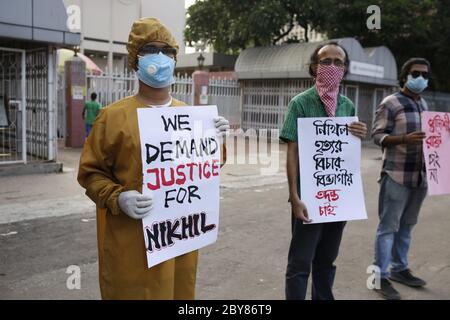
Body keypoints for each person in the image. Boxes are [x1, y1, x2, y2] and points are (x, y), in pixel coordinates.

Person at [77, 17, 229, 300]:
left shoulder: (190, 117)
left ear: (174, 58)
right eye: (149, 49)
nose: (159, 57)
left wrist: (216, 140)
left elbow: (204, 168)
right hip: (130, 241)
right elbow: (90, 173)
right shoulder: (112, 117)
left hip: (178, 240)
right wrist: (118, 197)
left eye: (167, 50)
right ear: (135, 59)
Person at [280, 41, 367, 300]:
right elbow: (292, 152)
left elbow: (346, 151)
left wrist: (359, 132)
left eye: (338, 62)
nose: (331, 66)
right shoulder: (300, 103)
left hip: (338, 199)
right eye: (325, 61)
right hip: (309, 197)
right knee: (300, 263)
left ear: (345, 69)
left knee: (327, 261)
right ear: (314, 67)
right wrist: (294, 197)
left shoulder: (347, 106)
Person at [371, 58, 431, 300]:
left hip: (421, 177)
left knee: (407, 225)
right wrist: (404, 139)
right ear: (405, 76)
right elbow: (377, 136)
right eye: (416, 73)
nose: (421, 78)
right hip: (396, 174)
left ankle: (399, 268)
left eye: (425, 75)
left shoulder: (424, 104)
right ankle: (380, 276)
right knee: (388, 227)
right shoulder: (390, 103)